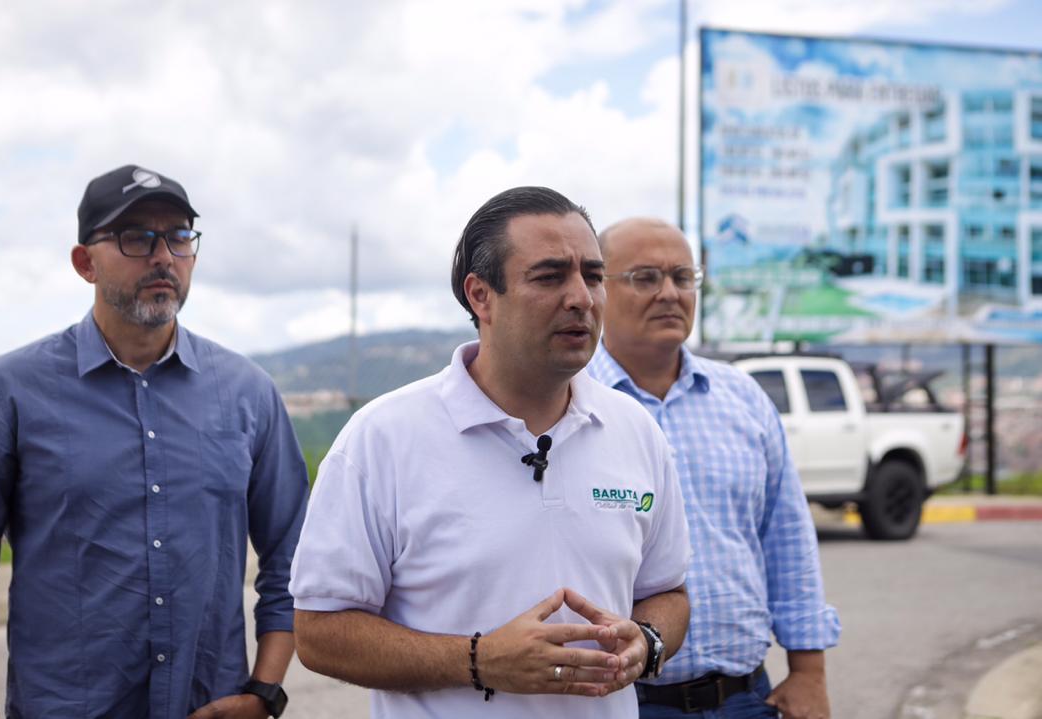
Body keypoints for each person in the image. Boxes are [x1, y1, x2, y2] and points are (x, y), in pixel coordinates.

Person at [290, 186, 692, 718]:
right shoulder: (382, 438)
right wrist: (478, 660)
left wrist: (647, 640)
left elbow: (668, 593)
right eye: (550, 276)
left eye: (593, 276)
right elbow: (319, 633)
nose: (582, 298)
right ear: (480, 295)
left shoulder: (635, 429)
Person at [0, 165, 309, 719]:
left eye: (178, 236)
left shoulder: (248, 394)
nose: (163, 256)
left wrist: (265, 694)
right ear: (85, 262)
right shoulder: (10, 392)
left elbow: (295, 559)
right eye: (137, 237)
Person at [587, 218, 841, 719]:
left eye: (683, 277)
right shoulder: (572, 405)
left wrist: (809, 672)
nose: (669, 293)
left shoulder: (743, 398)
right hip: (624, 702)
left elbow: (787, 539)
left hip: (745, 697)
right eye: (645, 277)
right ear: (598, 288)